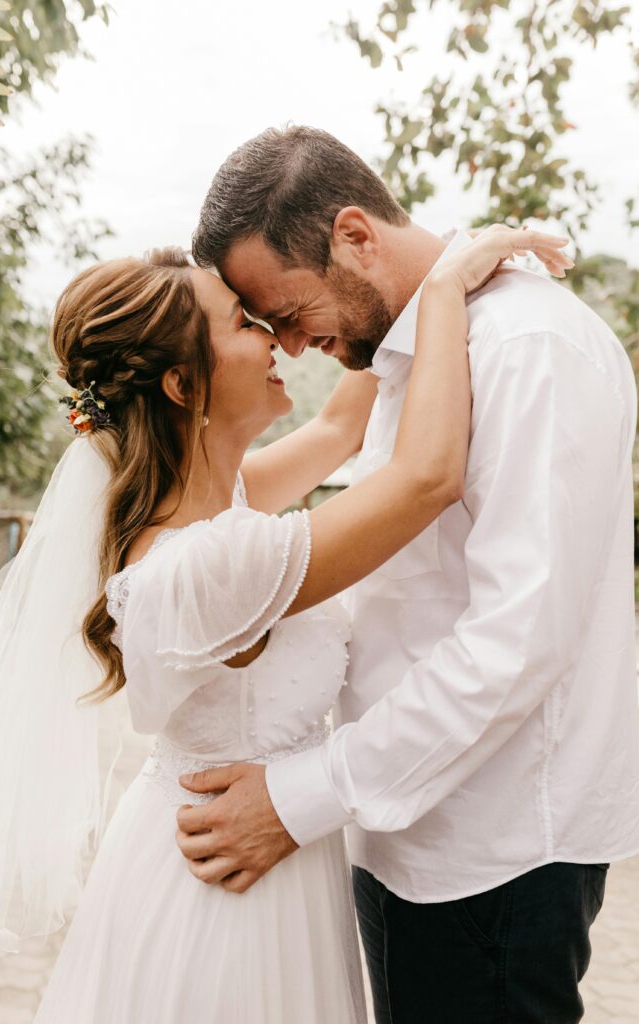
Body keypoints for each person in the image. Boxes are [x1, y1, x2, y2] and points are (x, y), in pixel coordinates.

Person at [0, 227, 565, 1023]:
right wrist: (447, 287)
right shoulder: (210, 563)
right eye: (244, 323)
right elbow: (425, 477)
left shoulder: (218, 499)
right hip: (225, 900)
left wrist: (408, 262)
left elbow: (337, 430)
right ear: (183, 383)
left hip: (253, 857)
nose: (275, 337)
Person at [181, 125, 639, 1024]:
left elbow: (516, 639)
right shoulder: (407, 361)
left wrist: (301, 796)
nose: (290, 346)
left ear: (354, 235)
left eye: (285, 310)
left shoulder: (523, 348)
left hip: (493, 851)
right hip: (398, 833)